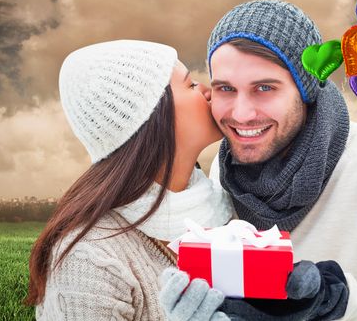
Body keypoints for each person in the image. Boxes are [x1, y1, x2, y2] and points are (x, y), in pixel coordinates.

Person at [162, 0, 357, 320]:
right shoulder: (224, 167)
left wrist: (336, 302)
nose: (241, 115)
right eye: (226, 88)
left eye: (264, 88)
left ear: (306, 89)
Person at [25, 40, 233, 320]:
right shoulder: (90, 261)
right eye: (190, 85)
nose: (208, 91)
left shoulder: (225, 210)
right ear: (153, 117)